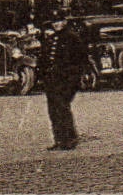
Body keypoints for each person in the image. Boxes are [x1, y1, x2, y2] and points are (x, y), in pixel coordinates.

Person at [37, 16, 89, 150]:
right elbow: (44, 59)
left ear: (65, 22)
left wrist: (74, 79)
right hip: (51, 81)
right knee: (53, 110)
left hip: (66, 80)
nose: (57, 24)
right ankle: (59, 139)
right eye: (54, 22)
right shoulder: (51, 39)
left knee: (63, 108)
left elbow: (81, 60)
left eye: (59, 21)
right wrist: (43, 75)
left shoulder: (72, 38)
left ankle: (69, 139)